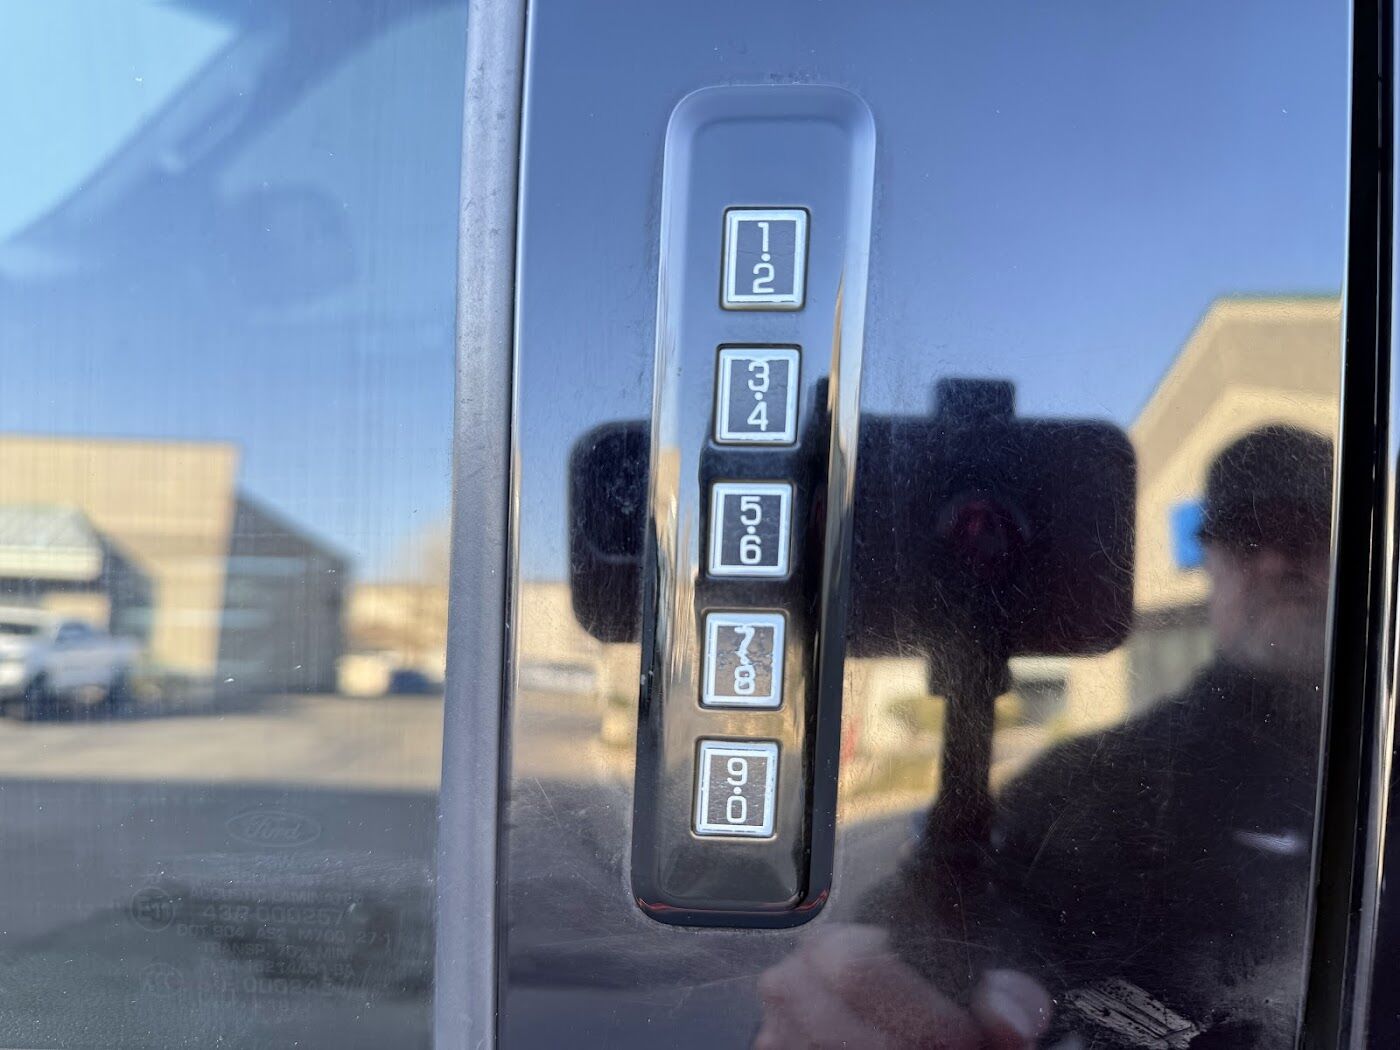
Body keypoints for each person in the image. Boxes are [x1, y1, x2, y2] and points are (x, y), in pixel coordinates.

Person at [756, 424, 1334, 1049]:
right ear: (1212, 562)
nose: (1276, 563)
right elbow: (942, 917)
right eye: (1247, 538)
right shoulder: (1103, 782)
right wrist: (869, 994)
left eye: (1307, 533)